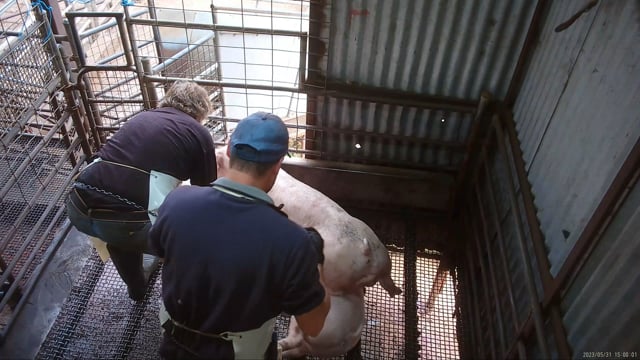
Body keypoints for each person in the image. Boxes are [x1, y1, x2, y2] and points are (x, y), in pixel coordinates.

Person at [148, 112, 331, 359]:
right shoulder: (294, 243)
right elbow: (314, 326)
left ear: (230, 152)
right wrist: (316, 265)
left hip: (172, 344)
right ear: (278, 165)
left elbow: (162, 256)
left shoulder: (177, 201)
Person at [65, 80, 217, 301]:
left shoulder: (143, 117)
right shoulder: (198, 133)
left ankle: (136, 288)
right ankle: (185, 302)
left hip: (77, 207)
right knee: (192, 242)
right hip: (128, 223)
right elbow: (205, 194)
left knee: (120, 232)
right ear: (201, 111)